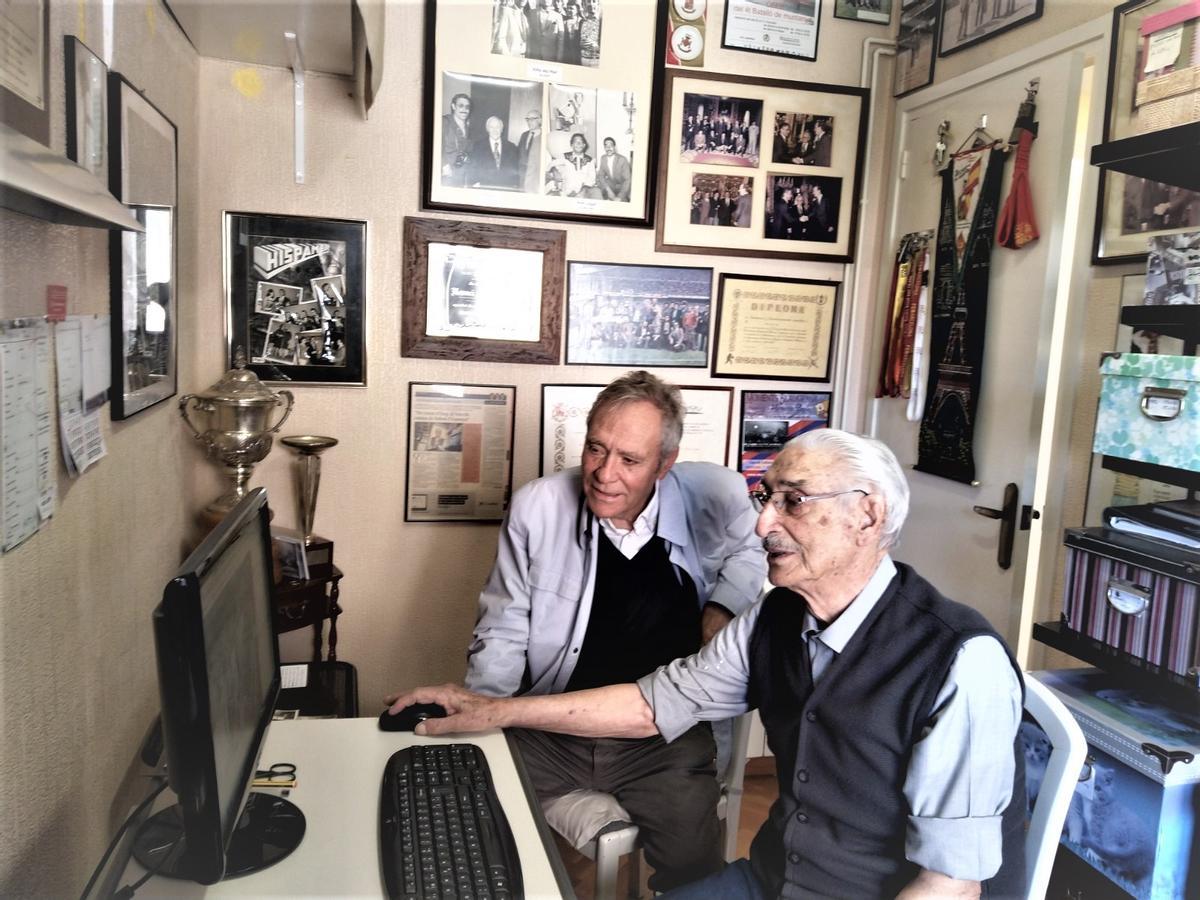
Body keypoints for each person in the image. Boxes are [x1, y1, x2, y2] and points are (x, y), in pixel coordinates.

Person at [386, 429, 1026, 899]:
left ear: (868, 513)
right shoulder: (776, 617)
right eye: (764, 496)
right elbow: (649, 704)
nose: (761, 525)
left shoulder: (960, 663)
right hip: (770, 882)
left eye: (793, 502)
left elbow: (949, 886)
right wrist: (494, 710)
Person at [433, 371, 767, 892]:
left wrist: (722, 607)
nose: (605, 474)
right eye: (596, 449)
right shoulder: (538, 507)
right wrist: (485, 712)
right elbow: (502, 627)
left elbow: (753, 550)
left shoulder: (715, 494)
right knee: (459, 800)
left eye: (630, 460)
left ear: (665, 465)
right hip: (552, 723)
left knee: (693, 862)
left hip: (663, 737)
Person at [469, 115, 519, 189]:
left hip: (505, 188)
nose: (495, 130)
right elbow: (473, 168)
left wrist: (514, 185)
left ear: (502, 129)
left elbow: (515, 170)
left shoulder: (511, 147)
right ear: (487, 129)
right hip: (484, 187)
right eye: (492, 127)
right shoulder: (478, 146)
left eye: (498, 127)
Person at [441, 92, 473, 186]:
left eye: (467, 107)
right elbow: (435, 146)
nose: (464, 110)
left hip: (461, 174)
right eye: (461, 106)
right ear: (453, 106)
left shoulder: (468, 128)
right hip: (447, 173)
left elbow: (467, 150)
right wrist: (444, 165)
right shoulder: (445, 122)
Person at [596, 136, 631, 202]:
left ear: (615, 147)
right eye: (606, 145)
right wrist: (608, 189)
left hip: (622, 188)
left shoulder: (622, 159)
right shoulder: (603, 158)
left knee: (622, 204)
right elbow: (600, 175)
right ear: (604, 148)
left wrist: (620, 197)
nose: (608, 148)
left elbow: (627, 180)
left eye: (611, 145)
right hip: (610, 186)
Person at [516, 110, 544, 193]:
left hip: (536, 178)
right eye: (527, 119)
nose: (529, 122)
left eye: (532, 119)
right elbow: (519, 155)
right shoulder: (524, 135)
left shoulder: (544, 136)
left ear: (540, 120)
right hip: (522, 178)